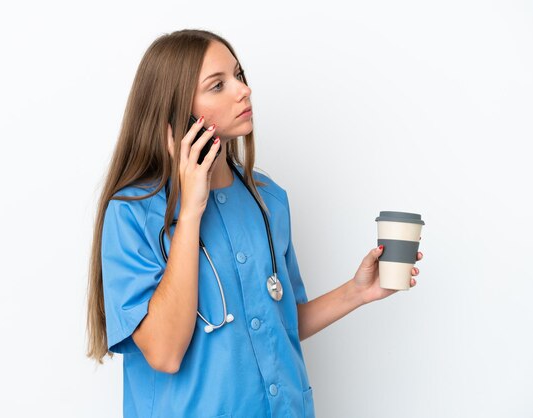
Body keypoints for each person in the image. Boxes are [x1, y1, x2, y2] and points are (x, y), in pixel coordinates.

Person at [86, 29, 423, 418]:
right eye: (218, 85)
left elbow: (278, 320)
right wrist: (192, 208)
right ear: (176, 111)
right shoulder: (132, 211)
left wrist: (358, 292)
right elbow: (164, 354)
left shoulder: (268, 200)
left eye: (239, 75)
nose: (243, 91)